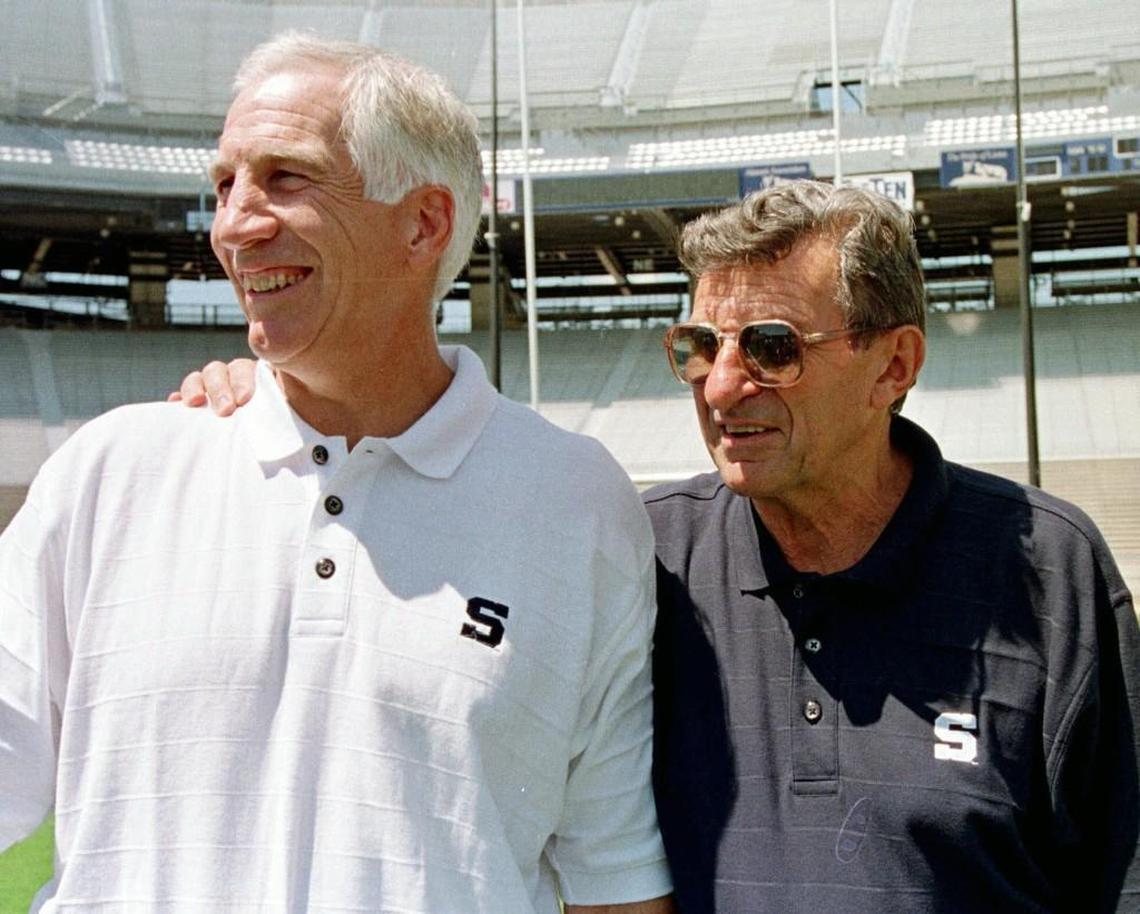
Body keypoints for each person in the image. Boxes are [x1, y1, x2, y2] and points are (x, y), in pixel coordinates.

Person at [174, 182, 1140, 913]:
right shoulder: (646, 551)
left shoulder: (1050, 570)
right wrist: (271, 403)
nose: (720, 389)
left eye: (770, 348)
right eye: (695, 348)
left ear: (894, 363)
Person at [0, 33, 674, 913]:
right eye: (225, 184)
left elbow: (613, 880)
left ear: (423, 222)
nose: (235, 224)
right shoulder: (111, 471)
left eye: (286, 177)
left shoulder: (579, 505)